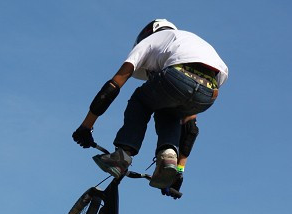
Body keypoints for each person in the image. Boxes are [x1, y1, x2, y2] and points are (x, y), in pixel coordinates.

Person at [72, 19, 228, 193]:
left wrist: (86, 126)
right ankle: (168, 157)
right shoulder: (185, 42)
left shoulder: (151, 40)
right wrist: (178, 171)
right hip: (209, 92)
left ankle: (122, 155)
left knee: (140, 99)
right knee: (170, 110)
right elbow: (190, 129)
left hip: (177, 75)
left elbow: (113, 86)